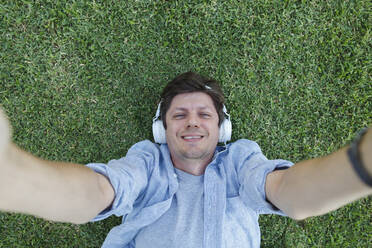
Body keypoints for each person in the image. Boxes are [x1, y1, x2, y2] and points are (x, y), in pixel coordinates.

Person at [0, 71, 371, 248]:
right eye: (179, 115)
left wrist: (361, 165)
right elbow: (103, 189)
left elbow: (287, 191)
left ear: (222, 128)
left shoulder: (240, 159)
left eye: (204, 114)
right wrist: (16, 179)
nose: (192, 121)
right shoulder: (148, 161)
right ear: (161, 129)